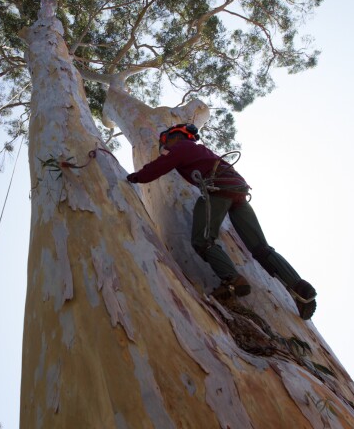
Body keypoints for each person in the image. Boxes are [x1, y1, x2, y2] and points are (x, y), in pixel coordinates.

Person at [126, 123, 317, 320]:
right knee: (261, 248)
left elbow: (160, 166)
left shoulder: (181, 147)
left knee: (202, 240)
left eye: (166, 139)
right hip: (238, 192)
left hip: (217, 190)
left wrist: (136, 177)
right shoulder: (202, 150)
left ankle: (233, 281)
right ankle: (301, 289)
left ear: (177, 136)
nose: (164, 144)